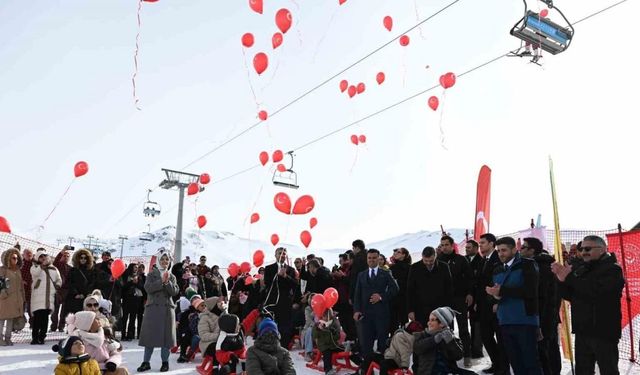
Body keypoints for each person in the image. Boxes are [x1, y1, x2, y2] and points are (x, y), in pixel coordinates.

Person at [552, 235, 625, 375]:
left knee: (608, 370)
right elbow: (572, 295)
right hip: (582, 330)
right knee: (583, 370)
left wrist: (569, 278)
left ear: (602, 249)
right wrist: (560, 280)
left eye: (588, 248)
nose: (583, 251)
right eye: (582, 248)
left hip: (603, 331)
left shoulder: (613, 269)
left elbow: (596, 291)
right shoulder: (582, 267)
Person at [485, 236, 541, 375]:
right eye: (498, 251)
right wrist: (494, 297)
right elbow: (495, 293)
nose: (500, 254)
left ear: (514, 249)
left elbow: (530, 290)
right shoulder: (497, 269)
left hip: (524, 320)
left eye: (504, 250)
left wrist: (502, 291)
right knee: (516, 363)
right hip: (505, 321)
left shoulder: (528, 264)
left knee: (530, 362)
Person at [353, 248, 399, 371]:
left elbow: (395, 289)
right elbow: (357, 294)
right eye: (369, 258)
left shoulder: (385, 274)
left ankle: (383, 370)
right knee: (366, 345)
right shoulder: (361, 275)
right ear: (367, 259)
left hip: (381, 315)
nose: (372, 260)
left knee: (382, 344)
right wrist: (356, 310)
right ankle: (367, 371)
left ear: (378, 259)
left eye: (374, 258)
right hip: (366, 316)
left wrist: (381, 296)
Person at [520, 237, 561, 375]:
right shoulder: (542, 264)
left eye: (523, 247)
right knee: (550, 349)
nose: (520, 250)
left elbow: (541, 296)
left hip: (543, 316)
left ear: (532, 250)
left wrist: (538, 319)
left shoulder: (540, 267)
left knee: (544, 350)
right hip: (548, 315)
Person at [137, 249, 179, 373]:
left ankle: (165, 362)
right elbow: (148, 288)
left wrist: (167, 283)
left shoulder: (172, 276)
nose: (165, 261)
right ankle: (146, 362)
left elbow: (174, 292)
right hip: (153, 310)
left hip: (167, 309)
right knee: (149, 337)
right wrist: (161, 281)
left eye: (167, 259)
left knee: (166, 339)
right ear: (158, 261)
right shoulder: (151, 274)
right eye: (162, 259)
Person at [439, 235, 474, 367]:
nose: (444, 247)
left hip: (459, 299)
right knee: (447, 330)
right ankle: (451, 357)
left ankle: (467, 355)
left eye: (446, 245)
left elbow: (470, 278)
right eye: (442, 245)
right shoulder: (439, 260)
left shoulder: (461, 260)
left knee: (464, 328)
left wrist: (470, 293)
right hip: (444, 301)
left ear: (452, 245)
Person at [476, 233, 508, 375]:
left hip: (495, 306)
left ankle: (503, 367)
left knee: (500, 338)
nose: (480, 245)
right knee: (486, 336)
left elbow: (500, 282)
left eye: (483, 242)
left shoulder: (498, 259)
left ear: (491, 243)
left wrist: (496, 301)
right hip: (484, 306)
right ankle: (496, 363)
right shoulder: (483, 260)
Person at [413, 307, 478, 375]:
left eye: (432, 320)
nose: (428, 323)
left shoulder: (450, 336)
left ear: (442, 323)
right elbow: (417, 348)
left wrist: (450, 342)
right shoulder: (422, 335)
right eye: (429, 320)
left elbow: (458, 356)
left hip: (448, 371)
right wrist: (433, 340)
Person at [67, 311, 129, 375]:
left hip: (106, 369)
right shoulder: (78, 342)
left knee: (122, 371)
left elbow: (115, 353)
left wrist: (112, 362)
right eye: (95, 319)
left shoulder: (103, 335)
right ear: (88, 324)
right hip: (89, 371)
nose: (99, 320)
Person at [407, 247, 453, 327]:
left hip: (440, 308)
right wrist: (410, 310)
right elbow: (410, 290)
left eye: (431, 261)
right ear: (422, 257)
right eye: (426, 261)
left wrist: (448, 308)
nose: (428, 263)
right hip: (421, 308)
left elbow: (449, 288)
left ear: (435, 256)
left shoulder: (444, 267)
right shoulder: (414, 268)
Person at [262, 247, 299, 347]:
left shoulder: (291, 270)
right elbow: (267, 283)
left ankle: (284, 347)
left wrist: (286, 276)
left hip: (285, 302)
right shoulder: (269, 268)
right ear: (275, 255)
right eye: (280, 253)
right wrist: (277, 275)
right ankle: (270, 345)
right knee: (270, 325)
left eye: (284, 254)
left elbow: (295, 284)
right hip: (272, 302)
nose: (282, 255)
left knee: (285, 326)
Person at [31, 249, 62, 344]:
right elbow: (35, 273)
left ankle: (42, 337)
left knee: (45, 319)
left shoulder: (54, 268)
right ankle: (35, 338)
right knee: (37, 318)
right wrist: (42, 266)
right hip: (37, 298)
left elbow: (59, 279)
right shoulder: (35, 267)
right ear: (37, 258)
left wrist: (57, 284)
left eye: (44, 256)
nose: (43, 258)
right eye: (40, 256)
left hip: (49, 298)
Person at [464, 240, 484, 359]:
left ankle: (477, 350)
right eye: (466, 247)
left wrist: (476, 299)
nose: (467, 249)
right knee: (470, 324)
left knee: (477, 325)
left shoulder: (481, 262)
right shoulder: (464, 260)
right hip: (466, 296)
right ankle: (470, 347)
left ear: (476, 248)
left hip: (477, 297)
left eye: (469, 247)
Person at [0, 248, 25, 346]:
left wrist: (23, 297)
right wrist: (3, 294)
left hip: (15, 299)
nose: (16, 260)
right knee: (1, 319)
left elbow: (21, 285)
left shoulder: (18, 270)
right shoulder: (2, 270)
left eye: (17, 258)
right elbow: (0, 282)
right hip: (4, 299)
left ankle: (8, 338)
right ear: (8, 259)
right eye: (13, 258)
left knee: (10, 320)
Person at [332, 253, 355, 341]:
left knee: (350, 323)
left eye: (342, 260)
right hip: (340, 302)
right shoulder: (339, 270)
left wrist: (342, 277)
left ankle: (353, 341)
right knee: (344, 323)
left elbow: (351, 283)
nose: (340, 263)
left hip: (349, 301)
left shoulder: (351, 270)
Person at [66, 249, 97, 315]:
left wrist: (85, 294)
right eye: (81, 258)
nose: (83, 259)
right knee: (73, 320)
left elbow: (92, 283)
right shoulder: (73, 270)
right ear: (77, 258)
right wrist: (76, 293)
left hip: (86, 299)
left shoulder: (92, 271)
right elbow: (69, 283)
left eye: (85, 258)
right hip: (74, 299)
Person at [313, 308, 342, 375]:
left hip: (333, 345)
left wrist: (333, 332)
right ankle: (328, 370)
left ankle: (360, 364)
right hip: (324, 345)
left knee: (345, 349)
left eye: (326, 316)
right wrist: (318, 329)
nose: (325, 318)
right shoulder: (318, 324)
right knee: (327, 353)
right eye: (324, 316)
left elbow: (338, 337)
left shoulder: (334, 322)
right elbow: (314, 336)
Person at [389, 247, 411, 335]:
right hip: (393, 298)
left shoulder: (409, 268)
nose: (395, 253)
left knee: (404, 320)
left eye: (398, 252)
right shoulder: (392, 268)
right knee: (393, 321)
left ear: (404, 255)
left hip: (404, 297)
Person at [121, 263, 144, 341]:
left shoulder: (139, 276)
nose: (136, 269)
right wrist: (131, 282)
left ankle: (130, 335)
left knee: (133, 318)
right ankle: (123, 334)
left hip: (136, 300)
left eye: (137, 267)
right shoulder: (125, 275)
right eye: (135, 267)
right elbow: (123, 287)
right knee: (124, 318)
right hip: (127, 299)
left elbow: (142, 287)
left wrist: (136, 282)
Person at [51, 248, 72, 332]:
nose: (66, 257)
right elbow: (55, 261)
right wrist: (61, 252)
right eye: (64, 255)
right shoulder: (57, 265)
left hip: (66, 292)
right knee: (54, 311)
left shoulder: (70, 268)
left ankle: (61, 326)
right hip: (57, 291)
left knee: (64, 311)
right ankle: (53, 326)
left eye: (67, 256)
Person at [21, 248, 34, 324]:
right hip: (21, 289)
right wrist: (21, 281)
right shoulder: (20, 264)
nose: (29, 255)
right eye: (27, 253)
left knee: (31, 309)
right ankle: (20, 323)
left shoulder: (35, 264)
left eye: (30, 254)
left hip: (32, 290)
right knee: (20, 308)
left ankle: (32, 324)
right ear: (24, 254)